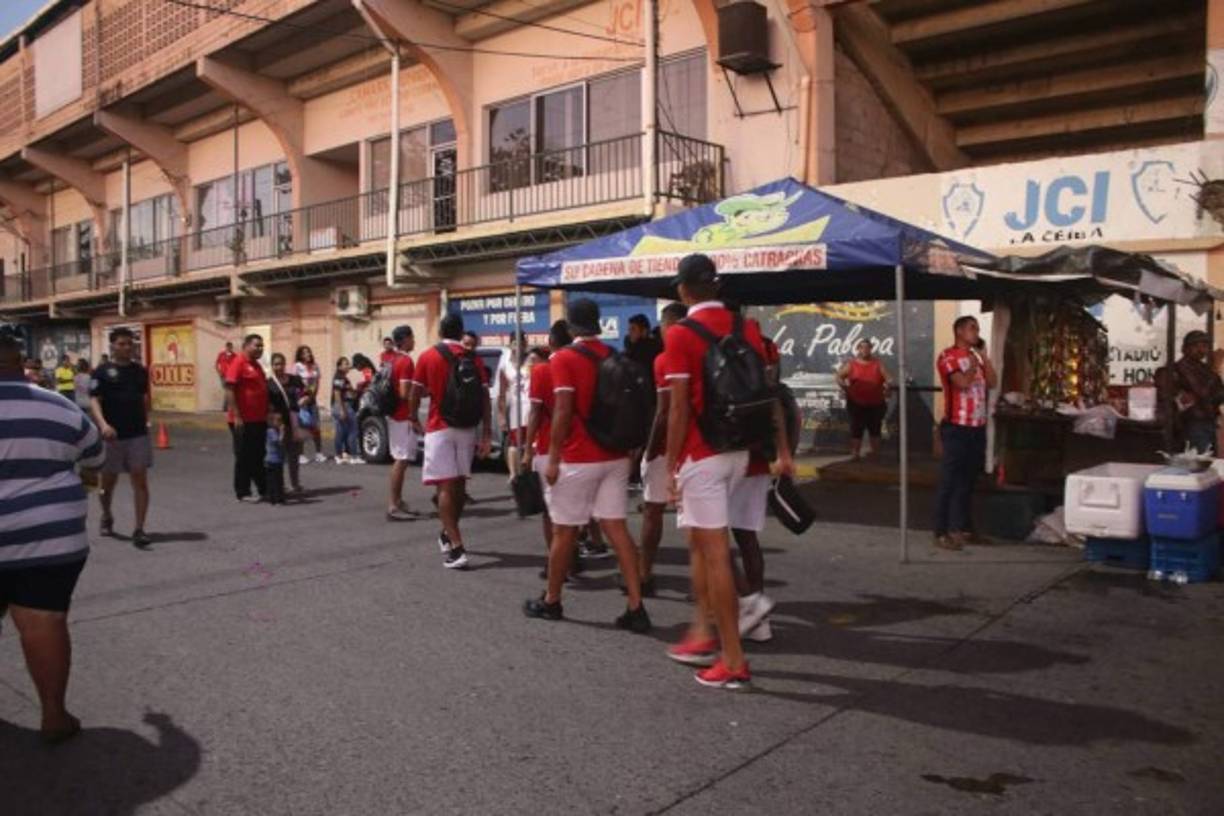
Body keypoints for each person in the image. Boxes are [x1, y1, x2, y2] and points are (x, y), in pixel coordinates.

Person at [661, 254, 793, 689]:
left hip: (702, 454)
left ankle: (733, 659)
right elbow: (767, 390)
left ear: (683, 290)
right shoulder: (747, 328)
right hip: (740, 449)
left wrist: (671, 464)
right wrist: (781, 447)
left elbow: (679, 407)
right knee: (702, 543)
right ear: (715, 287)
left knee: (715, 553)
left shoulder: (680, 335)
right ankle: (702, 633)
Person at [0, 328, 105, 744]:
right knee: (44, 621)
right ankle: (54, 715)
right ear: (19, 364)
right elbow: (96, 455)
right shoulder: (58, 407)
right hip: (49, 541)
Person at [523, 298, 651, 632]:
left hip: (578, 457)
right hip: (614, 455)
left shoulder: (563, 358)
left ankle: (552, 600)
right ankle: (636, 606)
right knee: (617, 531)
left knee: (564, 531)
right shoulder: (613, 355)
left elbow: (563, 409)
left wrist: (552, 457)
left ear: (570, 325)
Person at [406, 314, 492, 570]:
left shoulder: (428, 356)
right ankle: (448, 532)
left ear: (441, 330)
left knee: (444, 488)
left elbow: (414, 392)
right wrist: (486, 432)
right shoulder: (473, 357)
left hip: (439, 427)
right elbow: (485, 397)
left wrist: (412, 418)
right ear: (460, 331)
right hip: (467, 428)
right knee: (459, 486)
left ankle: (457, 548)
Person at [934, 315, 997, 551]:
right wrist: (971, 366)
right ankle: (941, 530)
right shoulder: (948, 356)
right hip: (957, 426)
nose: (976, 333)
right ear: (959, 331)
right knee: (949, 480)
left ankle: (964, 528)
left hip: (976, 426)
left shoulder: (977, 359)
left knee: (969, 480)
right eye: (973, 328)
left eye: (977, 329)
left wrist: (984, 358)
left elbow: (992, 382)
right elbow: (961, 383)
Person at [637, 302, 688, 596]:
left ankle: (644, 574)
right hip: (702, 446)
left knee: (653, 511)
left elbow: (664, 411)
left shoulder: (665, 359)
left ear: (669, 326)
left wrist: (650, 451)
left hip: (670, 448)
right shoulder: (706, 351)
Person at [89, 327, 154, 547]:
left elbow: (143, 398)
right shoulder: (101, 372)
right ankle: (106, 515)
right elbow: (94, 401)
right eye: (122, 344)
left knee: (140, 480)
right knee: (108, 482)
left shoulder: (140, 371)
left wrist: (146, 420)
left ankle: (139, 528)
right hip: (112, 436)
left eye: (130, 343)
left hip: (137, 434)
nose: (127, 347)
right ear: (113, 346)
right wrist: (103, 425)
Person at [225, 334, 269, 502]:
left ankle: (264, 488)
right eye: (257, 345)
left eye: (261, 346)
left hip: (258, 419)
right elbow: (229, 389)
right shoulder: (238, 363)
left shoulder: (256, 365)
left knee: (258, 455)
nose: (260, 349)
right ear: (246, 345)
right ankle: (243, 492)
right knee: (243, 456)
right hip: (243, 420)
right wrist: (236, 415)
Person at [386, 325, 420, 520]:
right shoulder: (406, 361)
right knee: (401, 460)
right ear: (405, 339)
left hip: (395, 416)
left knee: (401, 459)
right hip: (402, 417)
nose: (414, 341)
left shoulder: (392, 359)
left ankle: (398, 501)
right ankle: (393, 505)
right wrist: (422, 391)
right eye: (412, 337)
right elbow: (404, 393)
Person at [837, 338, 892, 459]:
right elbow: (839, 376)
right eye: (862, 347)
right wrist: (845, 388)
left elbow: (889, 378)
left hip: (876, 403)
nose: (865, 350)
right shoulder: (851, 364)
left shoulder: (878, 364)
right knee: (857, 429)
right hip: (856, 403)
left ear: (871, 349)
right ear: (858, 349)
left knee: (875, 428)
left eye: (867, 347)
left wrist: (888, 386)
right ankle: (855, 453)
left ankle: (875, 453)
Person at [1172, 330, 1224, 454]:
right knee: (1198, 462)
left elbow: (1217, 393)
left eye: (1205, 346)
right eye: (1196, 346)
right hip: (1193, 423)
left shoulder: (1203, 367)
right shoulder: (1181, 367)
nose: (1201, 350)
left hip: (1209, 422)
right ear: (1185, 348)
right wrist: (1215, 367)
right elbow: (1201, 392)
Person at [267, 352, 306, 495]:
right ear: (272, 366)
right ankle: (280, 485)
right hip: (280, 424)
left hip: (295, 421)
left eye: (281, 364)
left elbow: (307, 392)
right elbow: (268, 407)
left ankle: (295, 484)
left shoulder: (295, 380)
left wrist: (304, 400)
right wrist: (276, 424)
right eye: (276, 364)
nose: (279, 367)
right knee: (279, 456)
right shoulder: (269, 384)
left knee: (294, 456)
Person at [498, 333, 532, 484]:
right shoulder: (505, 365)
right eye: (515, 343)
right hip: (516, 409)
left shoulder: (532, 360)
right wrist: (502, 416)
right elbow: (502, 394)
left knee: (531, 443)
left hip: (532, 408)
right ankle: (513, 475)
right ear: (510, 345)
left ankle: (529, 474)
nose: (518, 347)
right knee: (514, 443)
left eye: (522, 343)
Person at [293, 345, 326, 463]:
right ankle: (300, 454)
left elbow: (317, 382)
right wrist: (302, 397)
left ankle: (319, 453)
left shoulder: (315, 366)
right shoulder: (297, 367)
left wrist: (312, 395)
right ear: (300, 355)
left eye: (309, 352)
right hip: (301, 399)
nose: (307, 354)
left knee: (316, 426)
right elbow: (295, 383)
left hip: (312, 399)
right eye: (304, 353)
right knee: (302, 426)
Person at [331, 357, 360, 463]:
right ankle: (352, 456)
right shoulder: (339, 377)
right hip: (342, 405)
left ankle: (343, 455)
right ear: (339, 366)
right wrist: (342, 410)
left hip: (345, 405)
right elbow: (337, 394)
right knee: (352, 430)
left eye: (348, 364)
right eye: (345, 364)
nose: (348, 366)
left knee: (343, 432)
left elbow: (351, 392)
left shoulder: (344, 378)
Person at [264, 411, 286, 505]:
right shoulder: (271, 431)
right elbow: (278, 442)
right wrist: (282, 432)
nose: (281, 423)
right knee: (275, 480)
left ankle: (275, 498)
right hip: (273, 460)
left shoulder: (273, 431)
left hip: (276, 459)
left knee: (277, 479)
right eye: (279, 421)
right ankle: (276, 499)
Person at [215, 341, 237, 407]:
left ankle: (225, 406)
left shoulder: (234, 356)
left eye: (230, 347)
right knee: (227, 389)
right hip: (223, 375)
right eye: (228, 347)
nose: (229, 348)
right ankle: (226, 406)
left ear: (232, 348)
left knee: (228, 389)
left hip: (231, 375)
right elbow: (216, 363)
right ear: (226, 347)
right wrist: (219, 372)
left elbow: (236, 365)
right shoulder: (221, 354)